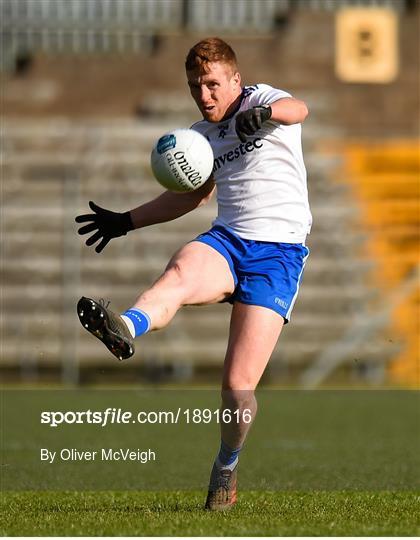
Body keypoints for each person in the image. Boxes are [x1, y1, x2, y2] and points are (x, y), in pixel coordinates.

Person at [75, 37, 311, 511]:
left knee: (236, 388)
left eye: (211, 84)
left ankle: (226, 465)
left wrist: (263, 115)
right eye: (195, 87)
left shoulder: (262, 99)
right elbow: (188, 197)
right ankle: (126, 324)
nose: (204, 95)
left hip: (277, 255)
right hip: (227, 241)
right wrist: (126, 220)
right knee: (181, 270)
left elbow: (298, 108)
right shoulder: (199, 136)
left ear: (234, 80)